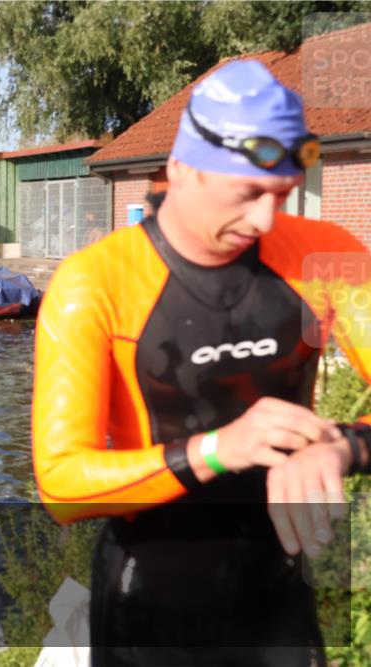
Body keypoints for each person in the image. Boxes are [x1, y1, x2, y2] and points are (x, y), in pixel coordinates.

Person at [31, 59, 371, 667]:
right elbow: (60, 485)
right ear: (183, 170)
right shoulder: (93, 283)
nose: (266, 220)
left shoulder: (324, 255)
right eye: (246, 194)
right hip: (148, 611)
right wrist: (220, 449)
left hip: (276, 604)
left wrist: (340, 446)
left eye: (282, 195)